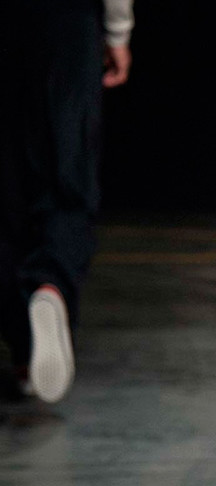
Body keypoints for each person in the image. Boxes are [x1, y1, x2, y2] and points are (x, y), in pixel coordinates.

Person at [0, 0, 134, 403]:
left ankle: (24, 350)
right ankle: (51, 283)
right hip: (67, 16)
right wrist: (118, 31)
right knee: (68, 169)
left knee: (8, 184)